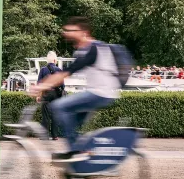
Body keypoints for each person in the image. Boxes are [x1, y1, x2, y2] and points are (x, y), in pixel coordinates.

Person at [28, 17, 120, 163]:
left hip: (100, 93)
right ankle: (85, 158)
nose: (68, 33)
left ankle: (76, 151)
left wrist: (40, 86)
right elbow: (64, 73)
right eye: (67, 30)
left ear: (84, 32)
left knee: (59, 107)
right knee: (70, 123)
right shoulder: (82, 51)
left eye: (73, 30)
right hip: (98, 92)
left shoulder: (93, 48)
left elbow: (65, 74)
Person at [37, 51, 63, 140]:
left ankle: (44, 136)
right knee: (55, 115)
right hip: (56, 95)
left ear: (47, 60)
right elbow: (62, 86)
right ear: (55, 60)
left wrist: (38, 95)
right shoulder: (59, 70)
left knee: (46, 115)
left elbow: (39, 83)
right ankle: (55, 136)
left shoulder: (43, 70)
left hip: (46, 94)